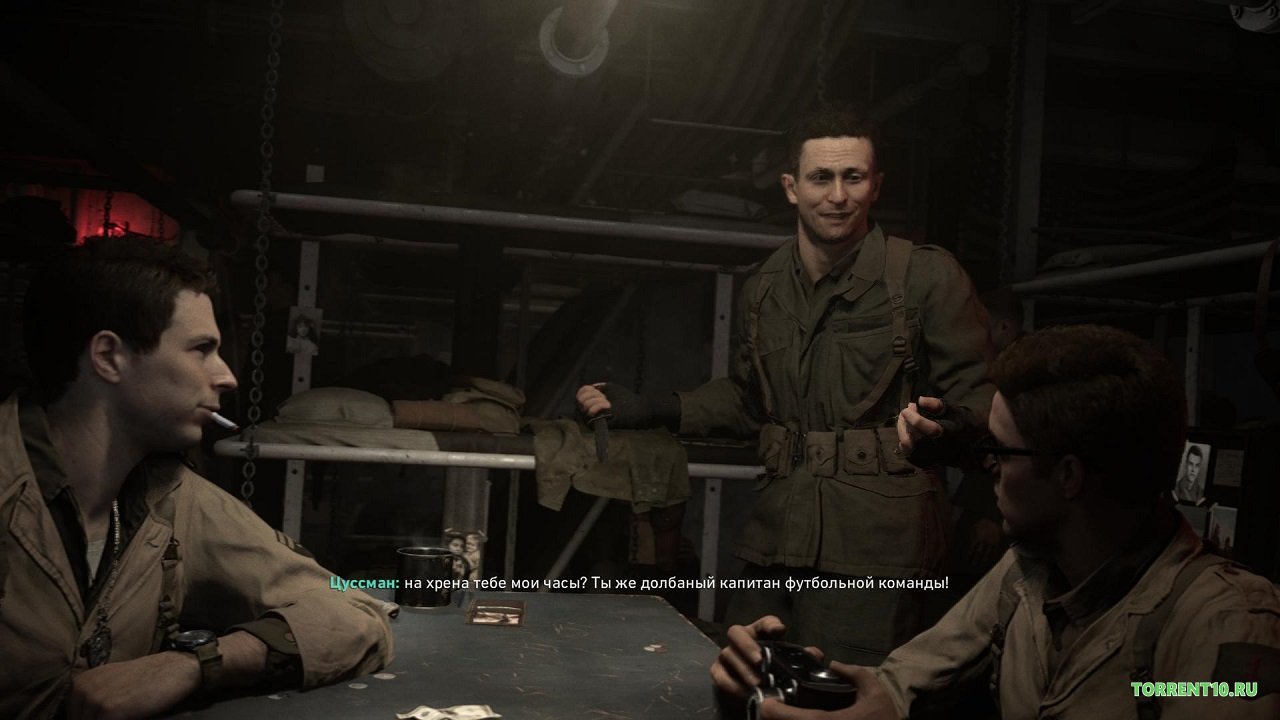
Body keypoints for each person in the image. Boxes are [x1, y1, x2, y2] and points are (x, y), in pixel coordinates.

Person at [577, 104, 994, 664]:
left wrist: (949, 428)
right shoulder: (765, 287)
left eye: (854, 177)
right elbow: (752, 401)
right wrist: (655, 407)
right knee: (746, 675)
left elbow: (981, 397)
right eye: (821, 178)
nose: (838, 196)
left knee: (845, 691)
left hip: (880, 550)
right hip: (775, 539)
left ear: (876, 186)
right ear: (791, 187)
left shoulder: (923, 277)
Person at [711, 324, 1280, 719]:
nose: (987, 467)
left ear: (1069, 475)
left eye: (1001, 452)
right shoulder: (1029, 575)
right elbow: (903, 684)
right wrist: (796, 683)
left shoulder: (1226, 621)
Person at [0, 237, 394, 718]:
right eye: (201, 349)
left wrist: (197, 663)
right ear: (108, 357)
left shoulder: (171, 495)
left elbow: (352, 610)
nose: (227, 377)